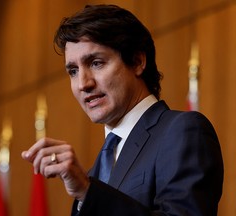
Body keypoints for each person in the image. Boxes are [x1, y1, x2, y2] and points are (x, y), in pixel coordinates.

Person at [22, 4, 223, 216]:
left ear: (137, 62)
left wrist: (88, 192)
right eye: (73, 71)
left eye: (96, 63)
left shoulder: (183, 131)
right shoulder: (96, 171)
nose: (83, 83)